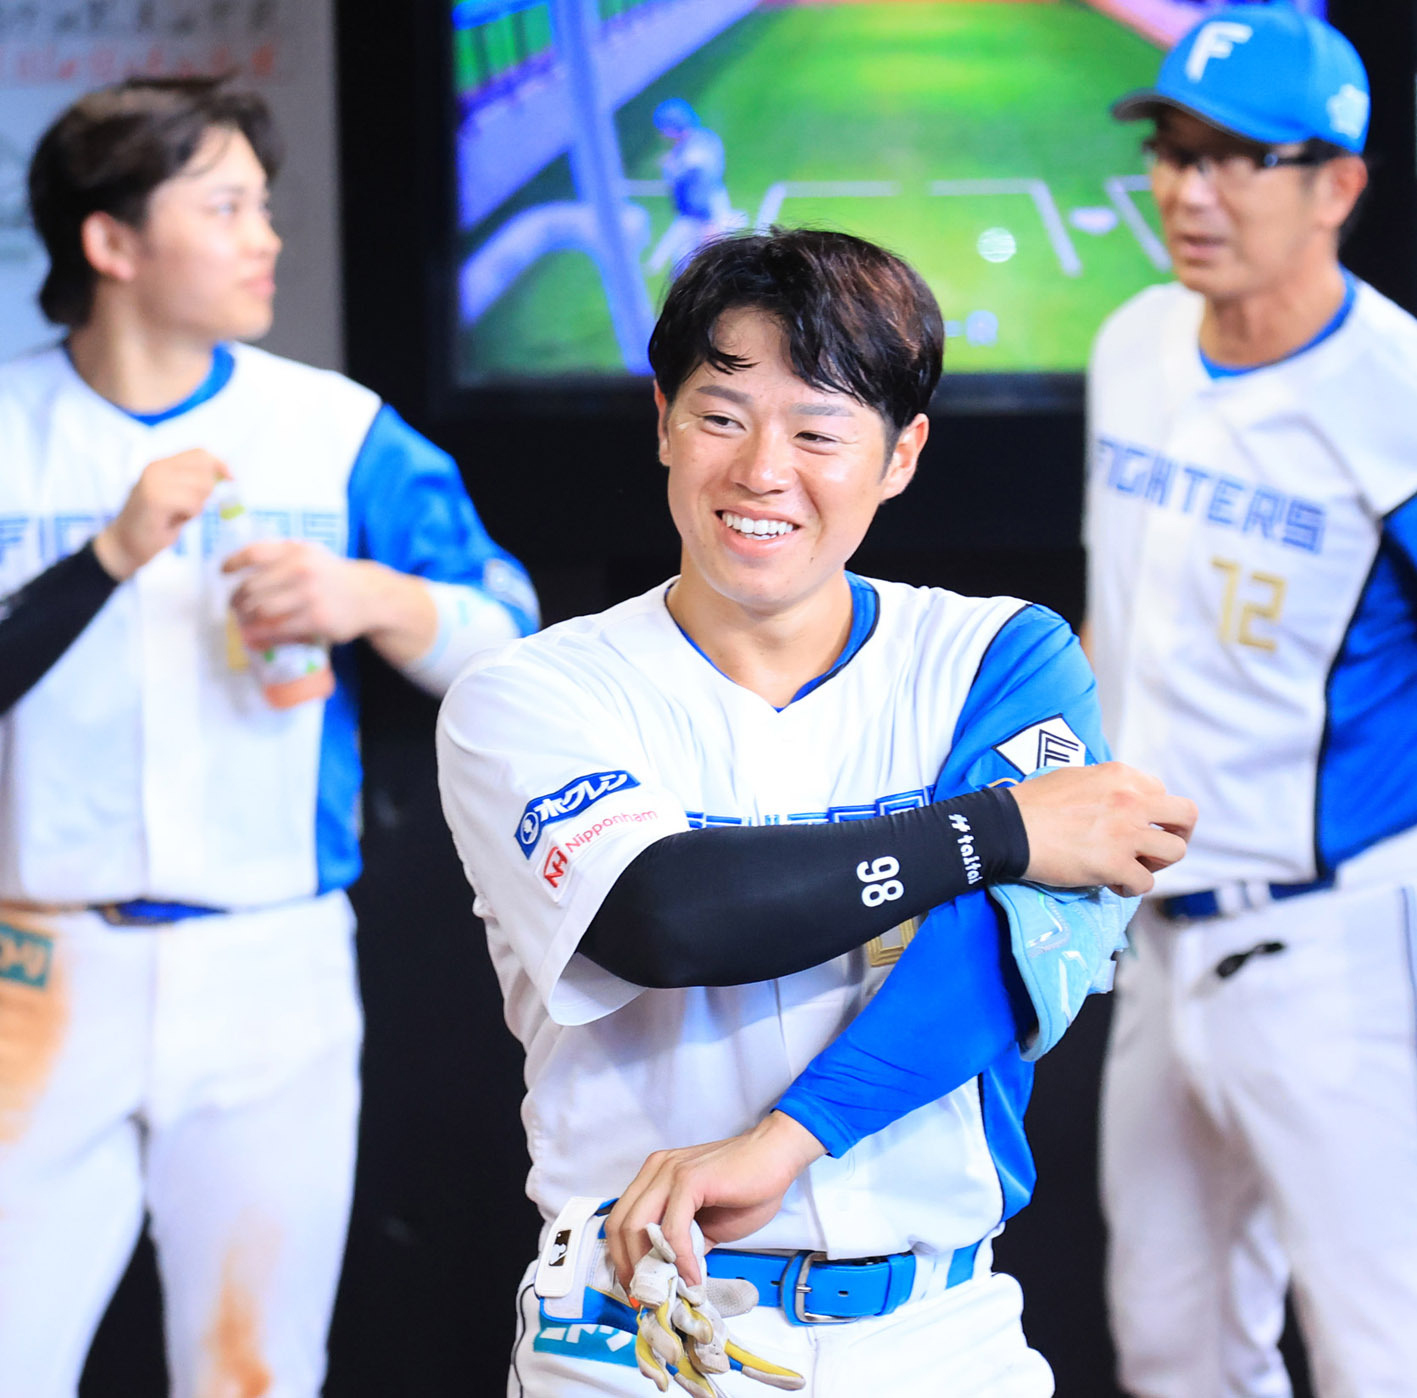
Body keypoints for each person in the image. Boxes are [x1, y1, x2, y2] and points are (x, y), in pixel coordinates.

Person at [436, 227, 1195, 1397]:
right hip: (644, 1327)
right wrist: (993, 831)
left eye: (818, 431)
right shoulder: (530, 692)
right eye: (721, 416)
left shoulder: (998, 656)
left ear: (900, 455)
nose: (761, 471)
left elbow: (994, 961)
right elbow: (662, 917)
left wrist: (784, 1144)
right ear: (662, 422)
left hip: (940, 1330)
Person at [0, 77, 537, 1398]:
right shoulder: (7, 428)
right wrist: (107, 555)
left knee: (257, 1371)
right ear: (111, 241)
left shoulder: (333, 427)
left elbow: (518, 646)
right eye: (225, 208)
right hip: (35, 964)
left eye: (264, 206)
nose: (266, 238)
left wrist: (377, 599)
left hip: (270, 962)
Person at [1084, 8, 1417, 1395]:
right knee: (1167, 1346)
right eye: (1173, 149)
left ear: (1337, 183)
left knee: (1377, 1352)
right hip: (1153, 934)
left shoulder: (1396, 391)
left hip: (1333, 946)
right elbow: (1117, 624)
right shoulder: (1134, 343)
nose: (1189, 190)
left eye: (1235, 158)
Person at [647, 98, 744, 275]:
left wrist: (708, 223)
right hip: (707, 207)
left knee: (695, 268)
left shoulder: (693, 157)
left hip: (701, 216)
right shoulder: (704, 139)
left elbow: (700, 188)